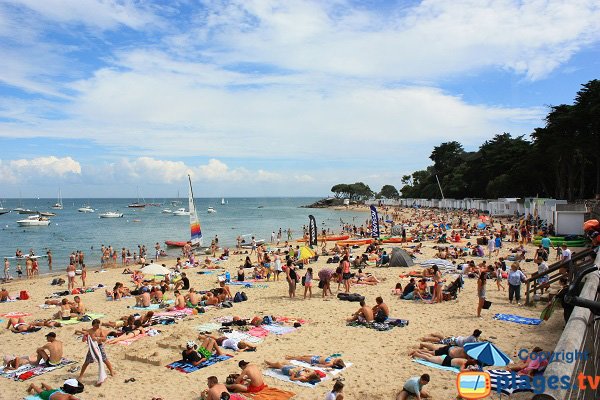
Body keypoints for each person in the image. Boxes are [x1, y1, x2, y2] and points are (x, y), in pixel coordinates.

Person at [77, 319, 115, 386]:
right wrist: (84, 336)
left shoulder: (100, 330)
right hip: (92, 347)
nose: (97, 327)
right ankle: (81, 375)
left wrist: (97, 338)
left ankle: (111, 371)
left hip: (99, 346)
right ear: (93, 325)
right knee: (87, 362)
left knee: (105, 360)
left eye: (98, 325)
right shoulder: (89, 331)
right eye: (96, 326)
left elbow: (104, 339)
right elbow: (83, 340)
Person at [410, 350, 479, 371]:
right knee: (429, 359)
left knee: (431, 357)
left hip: (446, 358)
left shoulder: (466, 360)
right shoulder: (463, 363)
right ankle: (417, 354)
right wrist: (469, 370)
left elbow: (472, 362)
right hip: (444, 361)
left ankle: (419, 352)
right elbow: (461, 370)